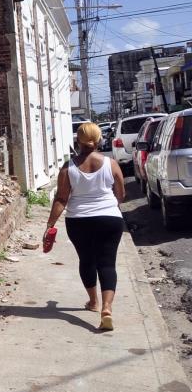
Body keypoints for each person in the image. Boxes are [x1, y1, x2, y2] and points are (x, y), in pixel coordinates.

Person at [45, 122, 126, 331]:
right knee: (107, 263)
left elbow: (61, 199)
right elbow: (121, 194)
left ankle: (93, 302)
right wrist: (109, 206)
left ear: (77, 140)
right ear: (99, 140)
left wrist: (49, 225)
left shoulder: (68, 167)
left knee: (87, 260)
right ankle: (107, 308)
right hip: (110, 219)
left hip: (79, 221)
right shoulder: (111, 164)